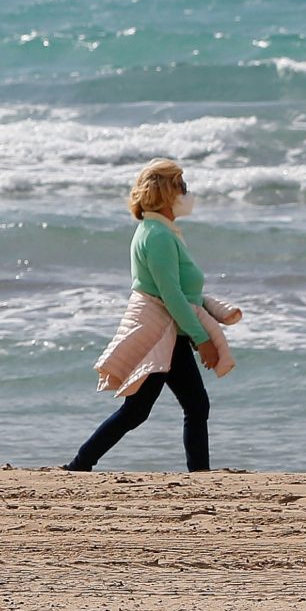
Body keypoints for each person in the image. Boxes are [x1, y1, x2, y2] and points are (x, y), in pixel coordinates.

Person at [68, 159, 243, 473]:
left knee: (166, 407)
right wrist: (202, 339)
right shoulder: (157, 236)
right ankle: (80, 465)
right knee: (152, 409)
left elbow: (180, 292)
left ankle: (81, 465)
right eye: (181, 187)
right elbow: (171, 295)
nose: (187, 194)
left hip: (168, 330)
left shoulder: (160, 231)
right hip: (161, 331)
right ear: (166, 193)